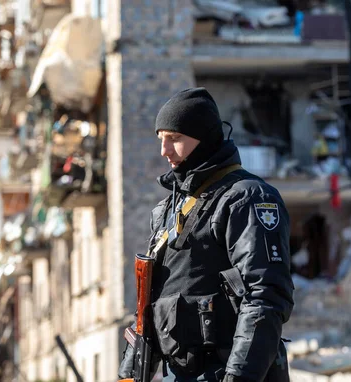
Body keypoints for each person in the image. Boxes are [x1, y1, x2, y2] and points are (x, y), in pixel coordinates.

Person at [118, 88, 294, 382]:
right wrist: (128, 377)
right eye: (161, 139)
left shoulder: (246, 198)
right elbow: (146, 311)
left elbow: (265, 298)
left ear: (204, 138)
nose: (165, 151)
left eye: (175, 138)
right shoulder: (167, 211)